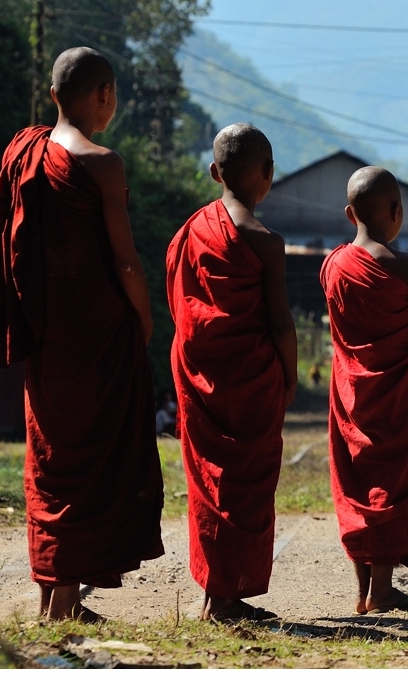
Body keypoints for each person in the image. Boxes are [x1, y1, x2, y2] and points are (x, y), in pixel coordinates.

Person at [0, 46, 164, 621]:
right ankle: (64, 601)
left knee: (52, 458)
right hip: (100, 337)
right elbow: (126, 260)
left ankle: (50, 595)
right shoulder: (101, 164)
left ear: (54, 95)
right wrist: (145, 317)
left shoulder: (23, 153)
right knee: (95, 460)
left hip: (49, 334)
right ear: (105, 95)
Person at [166, 123, 298, 622]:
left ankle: (216, 592)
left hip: (199, 371)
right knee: (243, 484)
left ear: (213, 172)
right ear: (267, 175)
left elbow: (182, 306)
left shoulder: (189, 231)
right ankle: (223, 598)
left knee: (209, 482)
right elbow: (281, 322)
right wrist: (288, 377)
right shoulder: (265, 241)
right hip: (251, 379)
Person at [320, 166, 408, 615]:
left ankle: (362, 591)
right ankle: (382, 590)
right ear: (397, 212)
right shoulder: (406, 267)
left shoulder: (333, 265)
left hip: (350, 393)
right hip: (399, 394)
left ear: (349, 213)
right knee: (392, 485)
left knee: (358, 483)